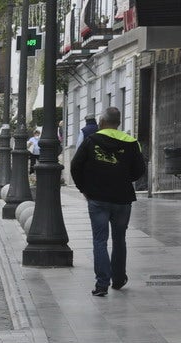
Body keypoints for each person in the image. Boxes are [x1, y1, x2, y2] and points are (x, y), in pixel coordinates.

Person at [70, 107, 146, 297]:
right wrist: (123, 177)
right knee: (119, 239)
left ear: (102, 122)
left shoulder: (91, 141)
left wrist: (84, 189)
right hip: (122, 199)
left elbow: (75, 166)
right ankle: (119, 279)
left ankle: (102, 284)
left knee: (100, 240)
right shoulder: (131, 142)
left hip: (98, 199)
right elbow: (139, 171)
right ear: (119, 123)